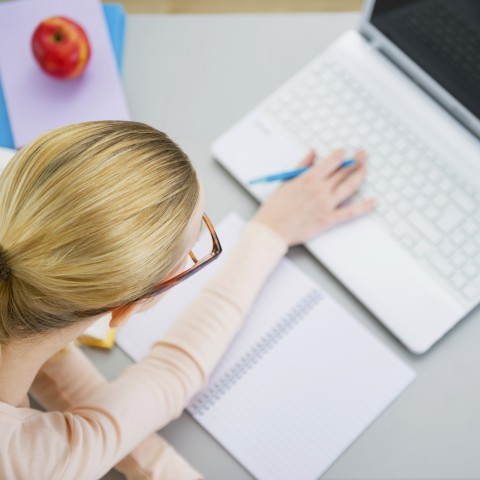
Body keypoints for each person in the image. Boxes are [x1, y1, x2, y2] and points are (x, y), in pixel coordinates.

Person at [0, 121, 375, 479]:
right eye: (196, 244)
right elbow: (170, 374)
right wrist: (269, 233)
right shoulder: (32, 463)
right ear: (129, 306)